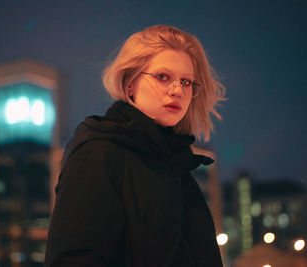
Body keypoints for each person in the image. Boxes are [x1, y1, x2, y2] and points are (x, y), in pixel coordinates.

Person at [45, 25, 226, 267]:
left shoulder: (177, 167)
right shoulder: (99, 154)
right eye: (163, 77)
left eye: (186, 82)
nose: (177, 90)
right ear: (130, 84)